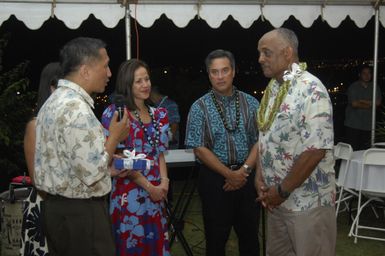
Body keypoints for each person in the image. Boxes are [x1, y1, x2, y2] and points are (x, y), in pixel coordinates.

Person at [33, 37, 130, 256]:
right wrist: (114, 137)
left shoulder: (54, 100)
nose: (109, 73)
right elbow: (92, 172)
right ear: (85, 71)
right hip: (81, 215)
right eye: (105, 66)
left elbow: (70, 163)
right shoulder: (76, 109)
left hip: (58, 210)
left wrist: (108, 168)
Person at [256, 28, 335, 256]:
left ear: (288, 53)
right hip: (276, 202)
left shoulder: (312, 90)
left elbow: (315, 151)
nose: (260, 59)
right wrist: (260, 175)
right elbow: (265, 135)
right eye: (260, 53)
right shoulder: (274, 89)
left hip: (306, 203)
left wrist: (282, 190)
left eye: (266, 53)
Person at [185, 49, 260, 256]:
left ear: (234, 71)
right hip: (214, 181)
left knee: (250, 239)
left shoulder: (251, 103)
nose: (220, 76)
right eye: (214, 72)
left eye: (224, 70)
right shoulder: (199, 107)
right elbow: (199, 148)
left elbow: (260, 141)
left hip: (247, 177)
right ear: (208, 75)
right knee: (216, 241)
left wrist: (243, 172)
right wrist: (229, 175)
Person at [101, 59, 170, 256]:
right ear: (127, 84)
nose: (145, 85)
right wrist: (149, 187)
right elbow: (119, 158)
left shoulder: (160, 114)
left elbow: (160, 155)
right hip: (129, 194)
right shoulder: (117, 114)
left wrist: (164, 183)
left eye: (147, 79)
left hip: (157, 193)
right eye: (138, 81)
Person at [21, 62, 62, 256]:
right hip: (44, 206)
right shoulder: (35, 125)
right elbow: (37, 179)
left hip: (66, 205)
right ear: (52, 87)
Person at [344, 64, 382, 150]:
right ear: (360, 75)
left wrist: (362, 101)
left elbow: (378, 103)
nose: (367, 75)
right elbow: (354, 104)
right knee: (352, 151)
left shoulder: (375, 86)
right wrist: (371, 104)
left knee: (366, 151)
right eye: (364, 73)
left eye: (369, 73)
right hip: (353, 125)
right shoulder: (353, 87)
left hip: (369, 126)